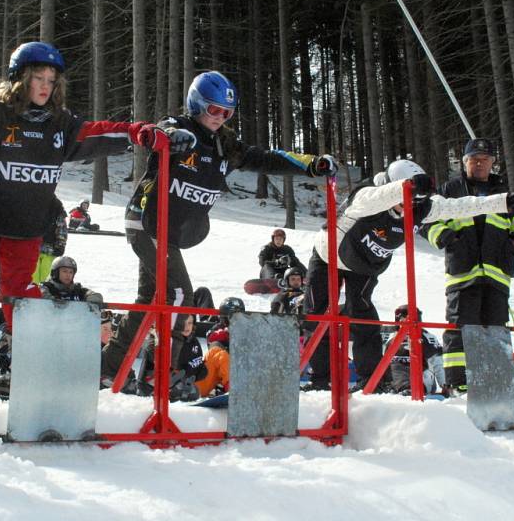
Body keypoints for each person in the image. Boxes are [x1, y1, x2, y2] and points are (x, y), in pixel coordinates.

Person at [0, 41, 159, 396]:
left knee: (20, 293)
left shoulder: (62, 125)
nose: (45, 86)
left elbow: (97, 131)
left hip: (26, 220)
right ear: (19, 80)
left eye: (51, 80)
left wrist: (135, 132)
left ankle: (23, 364)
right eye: (37, 78)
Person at [102, 70, 338, 386]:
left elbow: (265, 158)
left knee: (150, 298)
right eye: (213, 110)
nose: (219, 117)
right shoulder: (180, 127)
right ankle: (164, 375)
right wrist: (171, 139)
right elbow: (162, 130)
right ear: (197, 104)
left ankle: (108, 368)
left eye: (226, 112)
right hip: (147, 223)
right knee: (180, 293)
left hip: (171, 233)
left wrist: (309, 164)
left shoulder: (225, 145)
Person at [302, 157, 514, 393]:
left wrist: (505, 201)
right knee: (317, 313)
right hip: (329, 256)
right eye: (404, 202)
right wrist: (406, 187)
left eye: (413, 203)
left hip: (364, 266)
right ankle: (321, 380)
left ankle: (371, 381)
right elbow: (380, 196)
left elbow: (461, 206)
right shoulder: (367, 198)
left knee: (363, 316)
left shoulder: (422, 207)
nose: (407, 208)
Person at [421, 138, 514, 395]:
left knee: (495, 329)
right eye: (474, 158)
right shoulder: (450, 189)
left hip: (497, 273)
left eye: (485, 158)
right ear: (464, 162)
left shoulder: (505, 193)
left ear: (493, 162)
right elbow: (427, 219)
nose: (480, 163)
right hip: (463, 272)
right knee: (461, 326)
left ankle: (494, 384)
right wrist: (448, 237)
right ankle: (458, 384)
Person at [0, 255, 105, 399]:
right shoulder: (45, 288)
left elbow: (94, 295)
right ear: (55, 272)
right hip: (44, 336)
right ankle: (10, 375)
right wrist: (52, 303)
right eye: (64, 271)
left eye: (71, 272)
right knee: (9, 339)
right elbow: (42, 298)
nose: (68, 275)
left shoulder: (78, 290)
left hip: (69, 337)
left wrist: (93, 299)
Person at [136, 314, 207, 402]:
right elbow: (151, 349)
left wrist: (197, 373)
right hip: (151, 387)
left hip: (180, 385)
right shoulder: (163, 336)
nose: (186, 326)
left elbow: (197, 364)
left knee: (194, 392)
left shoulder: (193, 342)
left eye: (190, 323)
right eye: (182, 322)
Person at [382, 305, 445, 395]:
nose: (405, 325)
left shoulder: (426, 337)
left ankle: (408, 389)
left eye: (408, 321)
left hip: (421, 378)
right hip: (394, 376)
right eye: (402, 321)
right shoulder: (389, 335)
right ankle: (392, 388)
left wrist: (444, 385)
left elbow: (438, 362)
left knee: (400, 367)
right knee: (393, 366)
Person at [195, 296, 244, 397]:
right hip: (214, 373)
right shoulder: (218, 329)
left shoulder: (245, 331)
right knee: (219, 352)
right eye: (232, 317)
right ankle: (231, 390)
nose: (234, 320)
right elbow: (211, 337)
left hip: (235, 374)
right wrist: (227, 333)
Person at [31, 196, 69, 284]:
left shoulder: (56, 208)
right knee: (32, 274)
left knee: (47, 274)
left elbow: (61, 229)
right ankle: (33, 291)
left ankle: (45, 291)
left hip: (49, 249)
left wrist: (60, 245)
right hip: (33, 247)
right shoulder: (32, 205)